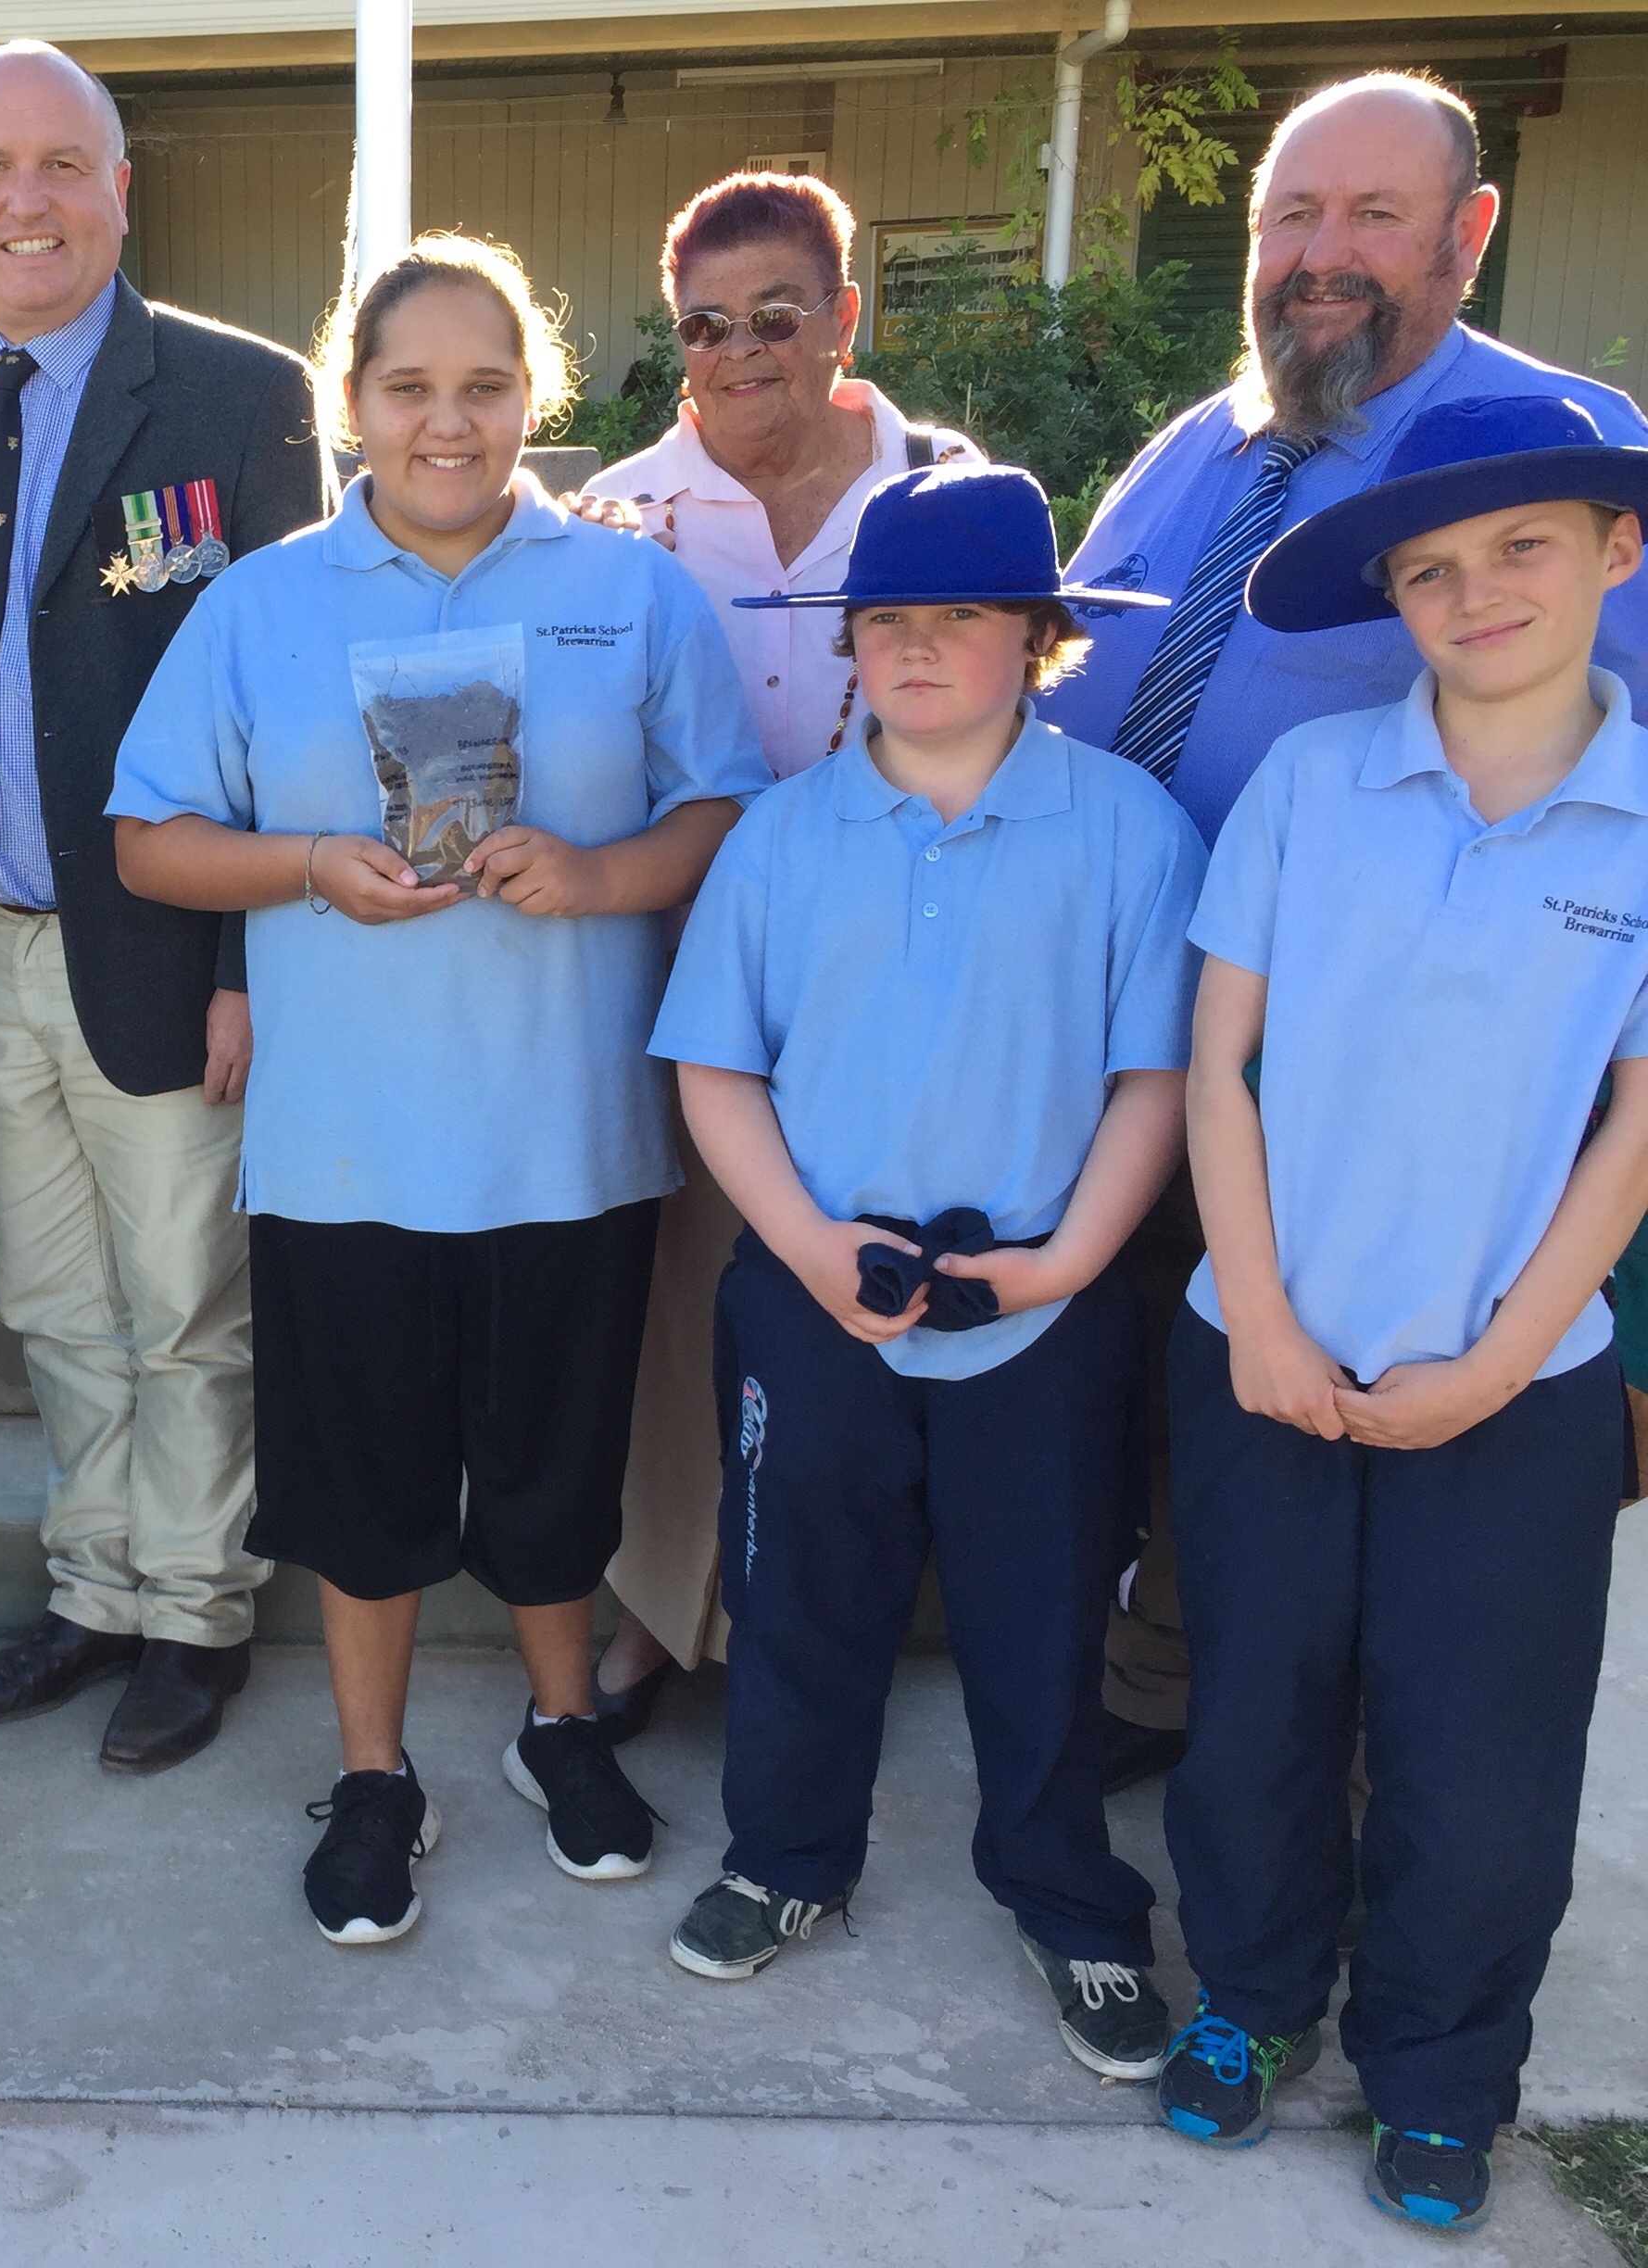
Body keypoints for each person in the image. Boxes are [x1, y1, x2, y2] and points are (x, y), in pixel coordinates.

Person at [113, 233, 767, 1943]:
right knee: (364, 1492)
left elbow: (721, 811)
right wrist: (307, 863)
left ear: (531, 398)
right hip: (345, 1150)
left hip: (563, 1136)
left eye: (484, 386)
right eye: (408, 387)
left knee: (555, 1481)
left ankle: (560, 1730)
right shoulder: (258, 603)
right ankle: (373, 1772)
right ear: (351, 403)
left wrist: (598, 874)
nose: (447, 422)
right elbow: (148, 840)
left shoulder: (628, 593)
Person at [1037, 72, 1648, 1784]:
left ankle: (1365, 1772)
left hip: (1363, 1083)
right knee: (1182, 1379)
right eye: (1288, 218)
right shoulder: (1192, 448)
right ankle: (1168, 1679)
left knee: (1353, 1411)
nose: (1320, 255)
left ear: (1466, 234)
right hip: (1125, 1031)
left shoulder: (1545, 465)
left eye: (1370, 215)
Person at [1154, 394, 1648, 2236]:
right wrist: (1263, 1319)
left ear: (1618, 550)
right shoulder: (1310, 788)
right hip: (1264, 1354)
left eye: (1525, 546)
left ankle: (1443, 2074)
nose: (1478, 592)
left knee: (1481, 1746)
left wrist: (1503, 1366)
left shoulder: (1643, 818)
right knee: (1258, 1713)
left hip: (1516, 1389)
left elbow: (1637, 1123)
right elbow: (1219, 1064)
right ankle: (1252, 2006)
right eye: (1432, 568)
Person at [647, 462, 1202, 2081]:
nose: (910, 645)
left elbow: (1148, 1081)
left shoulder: (1121, 829)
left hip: (1036, 1296)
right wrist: (808, 1245)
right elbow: (714, 1070)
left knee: (1038, 1614)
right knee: (796, 1592)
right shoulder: (780, 832)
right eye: (881, 617)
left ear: (1035, 637)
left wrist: (1068, 1262)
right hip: (816, 1287)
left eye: (955, 616)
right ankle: (784, 1852)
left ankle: (1066, 1897)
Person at [0, 40, 331, 1773]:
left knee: (185, 1303)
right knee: (50, 1299)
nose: (26, 200)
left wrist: (250, 965)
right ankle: (93, 1580)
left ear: (120, 189)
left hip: (161, 945)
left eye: (63, 164)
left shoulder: (236, 393)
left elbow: (295, 709)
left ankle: (192, 1611)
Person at [570, 170, 981, 1741]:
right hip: (686, 969)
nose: (738, 351)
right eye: (701, 326)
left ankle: (826, 1621)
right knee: (685, 1307)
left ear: (843, 319)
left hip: (905, 966)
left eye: (774, 316)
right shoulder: (619, 518)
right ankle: (661, 1609)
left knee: (866, 1274)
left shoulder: (940, 485)